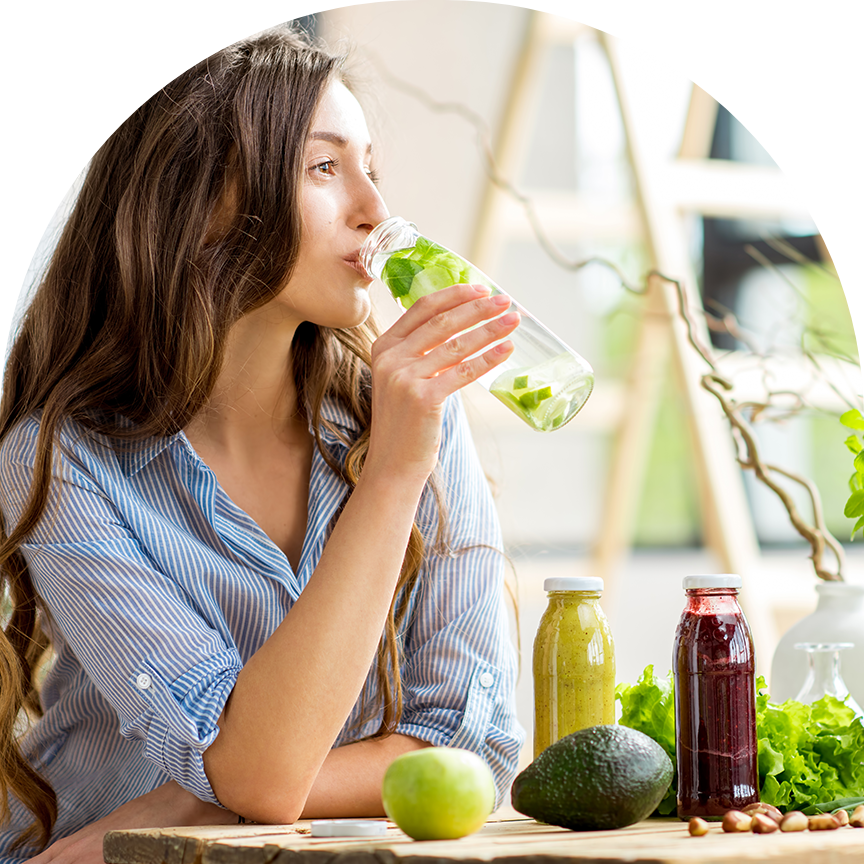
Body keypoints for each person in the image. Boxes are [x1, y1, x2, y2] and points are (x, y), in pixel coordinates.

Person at [0, 28, 524, 864]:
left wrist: (193, 799)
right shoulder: (64, 459)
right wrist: (392, 480)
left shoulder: (407, 414)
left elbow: (468, 753)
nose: (376, 210)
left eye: (371, 169)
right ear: (203, 202)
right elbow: (266, 778)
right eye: (325, 168)